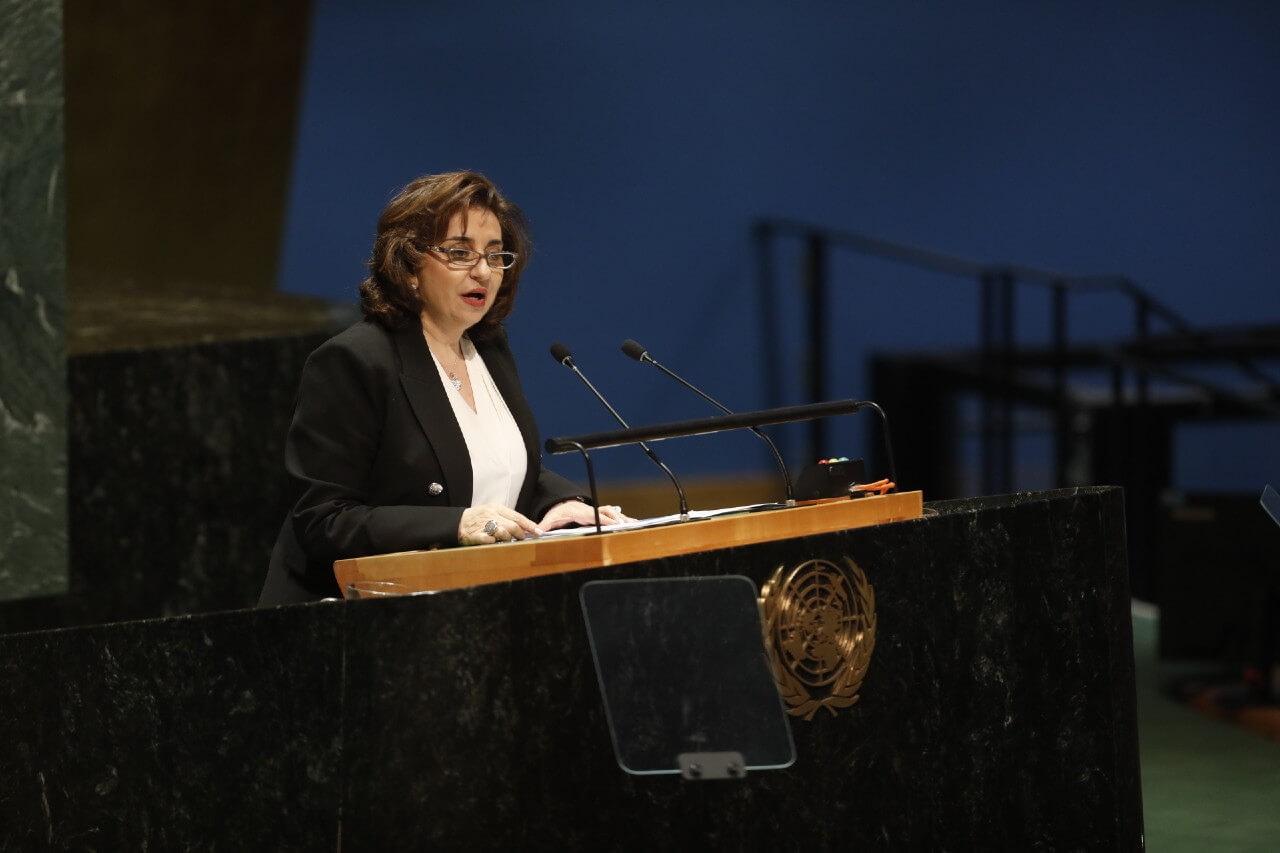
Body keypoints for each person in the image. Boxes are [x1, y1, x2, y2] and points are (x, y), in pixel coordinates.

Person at [258, 171, 629, 605]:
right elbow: (324, 520)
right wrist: (456, 525)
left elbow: (486, 461)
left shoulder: (487, 348)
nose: (483, 272)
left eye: (495, 256)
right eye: (459, 253)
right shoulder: (356, 360)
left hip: (459, 608)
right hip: (348, 620)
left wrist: (558, 505)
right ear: (409, 266)